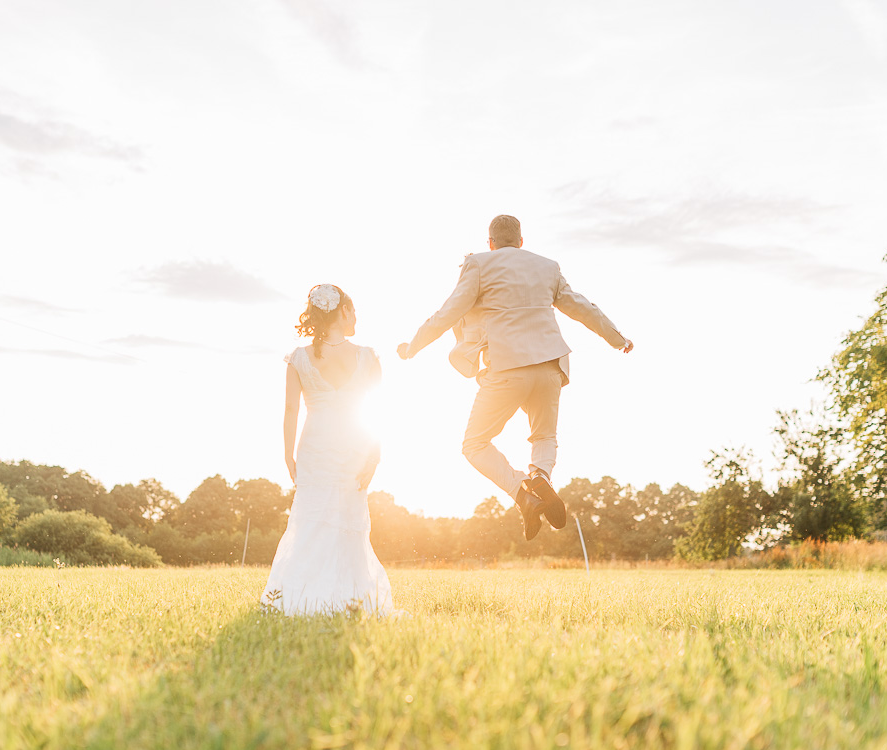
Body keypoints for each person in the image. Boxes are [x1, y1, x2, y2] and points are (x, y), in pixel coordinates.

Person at [397, 215, 633, 540]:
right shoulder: (547, 266)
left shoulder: (479, 265)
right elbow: (581, 307)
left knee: (475, 443)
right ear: (522, 240)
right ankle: (541, 476)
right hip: (551, 365)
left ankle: (522, 492)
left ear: (490, 243)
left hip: (506, 367)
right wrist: (617, 338)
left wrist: (413, 346)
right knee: (544, 437)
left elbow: (448, 311)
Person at [262, 284, 393, 616]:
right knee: (348, 520)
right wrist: (374, 455)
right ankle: (349, 601)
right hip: (354, 447)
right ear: (344, 312)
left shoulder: (299, 359)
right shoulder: (368, 356)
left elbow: (291, 411)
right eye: (354, 311)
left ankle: (301, 598)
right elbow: (379, 409)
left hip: (315, 445)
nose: (357, 317)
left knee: (311, 520)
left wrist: (287, 455)